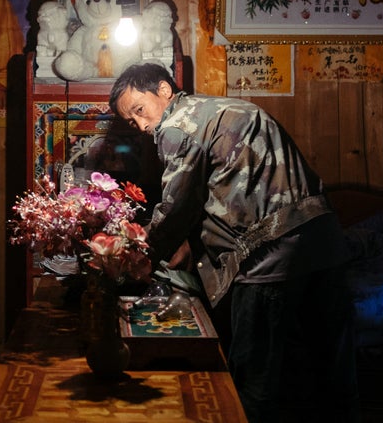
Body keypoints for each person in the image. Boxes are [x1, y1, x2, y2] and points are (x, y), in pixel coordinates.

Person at [109, 62, 359, 423]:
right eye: (134, 123)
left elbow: (177, 205)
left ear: (164, 90)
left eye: (140, 111)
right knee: (334, 375)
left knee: (254, 384)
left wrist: (141, 256)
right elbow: (235, 187)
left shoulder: (178, 124)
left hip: (269, 258)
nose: (145, 126)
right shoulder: (232, 107)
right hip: (326, 243)